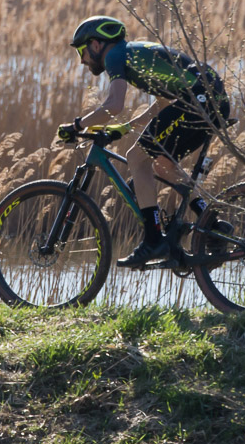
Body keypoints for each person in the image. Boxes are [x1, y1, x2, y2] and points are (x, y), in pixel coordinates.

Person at [58, 15, 233, 269]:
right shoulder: (135, 54)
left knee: (136, 157)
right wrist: (126, 128)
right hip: (211, 100)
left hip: (198, 101)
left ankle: (153, 240)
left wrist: (76, 125)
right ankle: (212, 224)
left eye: (82, 52)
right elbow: (163, 104)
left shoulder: (115, 56)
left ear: (96, 45)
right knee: (162, 164)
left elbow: (114, 105)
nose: (83, 60)